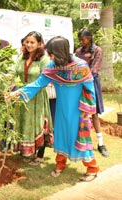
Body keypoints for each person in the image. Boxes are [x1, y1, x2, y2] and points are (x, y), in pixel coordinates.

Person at [9, 36, 100, 182]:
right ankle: (60, 165)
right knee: (61, 135)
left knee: (79, 136)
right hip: (61, 108)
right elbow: (38, 83)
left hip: (78, 110)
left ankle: (92, 168)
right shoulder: (53, 66)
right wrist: (17, 93)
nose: (50, 57)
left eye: (52, 54)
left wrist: (87, 110)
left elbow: (90, 89)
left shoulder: (81, 66)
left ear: (61, 52)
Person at [14, 31, 53, 165]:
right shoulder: (22, 57)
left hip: (37, 97)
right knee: (24, 123)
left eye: (32, 42)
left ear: (39, 44)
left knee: (38, 124)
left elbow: (44, 80)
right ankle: (26, 151)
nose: (29, 45)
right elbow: (14, 73)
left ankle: (40, 155)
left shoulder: (44, 59)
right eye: (27, 42)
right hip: (21, 96)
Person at [75, 28, 109, 157]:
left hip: (91, 84)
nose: (81, 42)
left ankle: (101, 144)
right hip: (78, 84)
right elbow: (74, 66)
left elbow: (94, 70)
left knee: (94, 114)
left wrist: (80, 75)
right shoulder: (78, 51)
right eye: (79, 40)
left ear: (89, 38)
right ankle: (80, 141)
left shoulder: (97, 50)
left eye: (82, 39)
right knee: (79, 113)